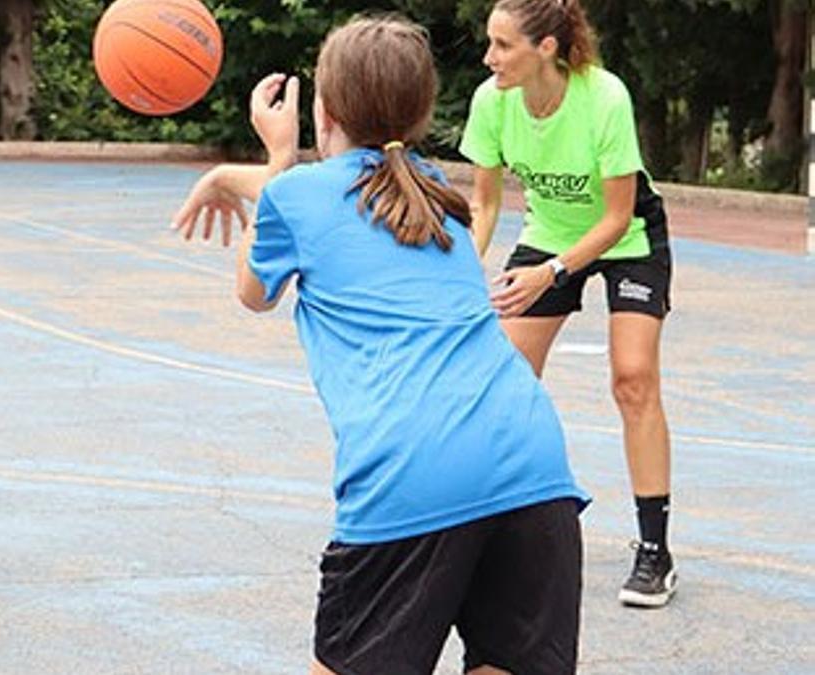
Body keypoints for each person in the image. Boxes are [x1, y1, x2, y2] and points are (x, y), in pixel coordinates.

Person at [173, 16, 590, 674]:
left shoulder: (297, 194)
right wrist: (243, 177)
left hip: (412, 469)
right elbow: (344, 192)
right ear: (422, 110)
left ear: (325, 110)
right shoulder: (435, 193)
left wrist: (272, 160)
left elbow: (254, 291)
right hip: (530, 464)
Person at [459, 0, 676, 608]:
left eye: (502, 45)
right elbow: (484, 206)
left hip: (627, 238)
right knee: (503, 381)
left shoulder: (604, 97)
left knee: (633, 379)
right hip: (549, 233)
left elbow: (615, 217)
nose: (488, 57)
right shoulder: (492, 100)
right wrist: (460, 273)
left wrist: (549, 274)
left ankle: (655, 551)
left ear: (546, 49)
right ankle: (497, 535)